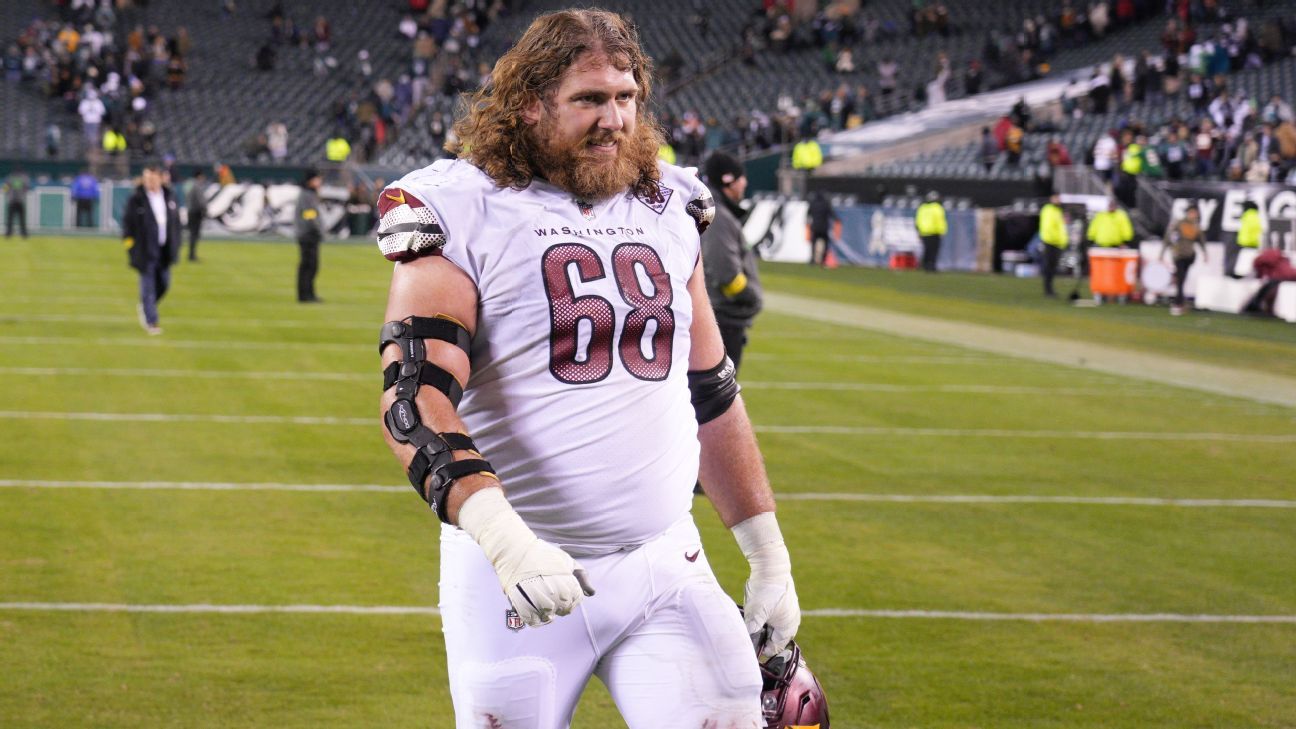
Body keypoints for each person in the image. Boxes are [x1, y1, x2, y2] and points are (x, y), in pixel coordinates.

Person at [373, 10, 801, 727]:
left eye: (626, 97)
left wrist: (767, 554)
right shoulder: (462, 206)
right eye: (590, 100)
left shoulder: (672, 204)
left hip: (666, 565)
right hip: (519, 581)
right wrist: (506, 541)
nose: (614, 120)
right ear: (530, 104)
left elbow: (712, 394)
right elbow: (412, 404)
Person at [702, 151, 764, 372]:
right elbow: (724, 271)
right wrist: (750, 297)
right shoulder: (719, 217)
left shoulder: (717, 212)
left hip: (722, 316)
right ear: (728, 180)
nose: (745, 182)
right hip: (723, 318)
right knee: (719, 400)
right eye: (740, 177)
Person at [122, 162, 181, 335]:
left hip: (165, 249)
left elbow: (175, 224)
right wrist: (131, 249)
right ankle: (151, 321)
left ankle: (146, 306)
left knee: (164, 284)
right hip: (145, 250)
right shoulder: (136, 199)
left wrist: (176, 244)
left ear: (161, 178)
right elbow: (128, 227)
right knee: (148, 285)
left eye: (153, 178)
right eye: (147, 178)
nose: (150, 181)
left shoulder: (170, 196)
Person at [1161, 204, 1208, 315]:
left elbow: (1201, 240)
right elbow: (1169, 237)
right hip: (1179, 255)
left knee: (1182, 279)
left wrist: (1205, 253)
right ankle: (1178, 304)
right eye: (1191, 212)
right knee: (1180, 279)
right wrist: (1164, 252)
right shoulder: (1179, 223)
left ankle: (1180, 303)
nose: (1193, 215)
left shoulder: (1196, 226)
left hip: (1189, 256)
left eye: (1195, 213)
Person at [295, 168, 323, 302]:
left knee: (310, 266)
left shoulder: (308, 193)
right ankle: (305, 295)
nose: (320, 181)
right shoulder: (307, 195)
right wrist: (317, 228)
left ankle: (308, 293)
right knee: (309, 266)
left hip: (307, 234)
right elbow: (309, 214)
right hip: (308, 234)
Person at [1038, 194, 1069, 296]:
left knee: (1053, 267)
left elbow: (1061, 227)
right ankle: (1048, 290)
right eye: (1056, 198)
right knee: (1049, 266)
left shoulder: (1059, 211)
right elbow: (1049, 227)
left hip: (1057, 243)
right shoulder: (1048, 210)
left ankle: (1050, 289)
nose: (1058, 200)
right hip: (1050, 242)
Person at [915, 190, 947, 272]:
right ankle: (931, 265)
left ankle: (925, 265)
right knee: (933, 251)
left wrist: (918, 230)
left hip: (924, 232)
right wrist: (942, 231)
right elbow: (940, 220)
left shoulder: (922, 208)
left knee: (927, 250)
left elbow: (918, 220)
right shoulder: (937, 207)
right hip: (934, 232)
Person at [807, 190, 840, 267]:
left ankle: (812, 260)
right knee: (825, 243)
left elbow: (808, 214)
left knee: (813, 244)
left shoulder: (813, 204)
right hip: (824, 227)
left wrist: (808, 224)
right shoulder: (826, 204)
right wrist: (837, 220)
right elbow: (832, 214)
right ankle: (823, 260)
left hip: (815, 227)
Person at [1231, 200, 1263, 277]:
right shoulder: (1252, 216)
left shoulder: (1250, 216)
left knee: (1244, 266)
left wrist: (1248, 241)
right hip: (1250, 244)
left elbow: (1254, 231)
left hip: (1248, 244)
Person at [186, 170, 208, 261]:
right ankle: (192, 255)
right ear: (199, 176)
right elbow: (201, 201)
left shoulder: (191, 185)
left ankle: (191, 254)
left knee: (193, 234)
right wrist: (205, 210)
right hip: (196, 213)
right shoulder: (197, 186)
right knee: (194, 234)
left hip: (191, 211)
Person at [3, 168, 30, 239]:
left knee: (10, 219)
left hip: (12, 201)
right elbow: (27, 188)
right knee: (22, 219)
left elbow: (5, 188)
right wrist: (23, 195)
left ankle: (8, 234)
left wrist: (7, 194)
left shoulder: (10, 178)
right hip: (20, 200)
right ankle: (24, 234)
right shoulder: (24, 178)